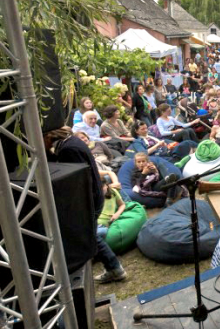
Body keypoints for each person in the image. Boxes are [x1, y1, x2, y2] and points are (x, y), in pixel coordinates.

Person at [43, 127, 126, 283]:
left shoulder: (69, 149)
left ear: (48, 136)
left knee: (89, 235)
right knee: (91, 234)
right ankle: (114, 268)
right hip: (93, 195)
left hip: (89, 198)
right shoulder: (72, 142)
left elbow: (74, 179)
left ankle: (115, 268)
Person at [128, 120, 196, 162]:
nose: (146, 130)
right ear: (136, 131)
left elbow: (162, 141)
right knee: (187, 144)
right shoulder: (137, 142)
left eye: (146, 128)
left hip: (166, 149)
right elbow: (143, 153)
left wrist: (171, 143)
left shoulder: (150, 135)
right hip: (158, 155)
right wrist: (157, 145)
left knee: (188, 144)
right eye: (142, 129)